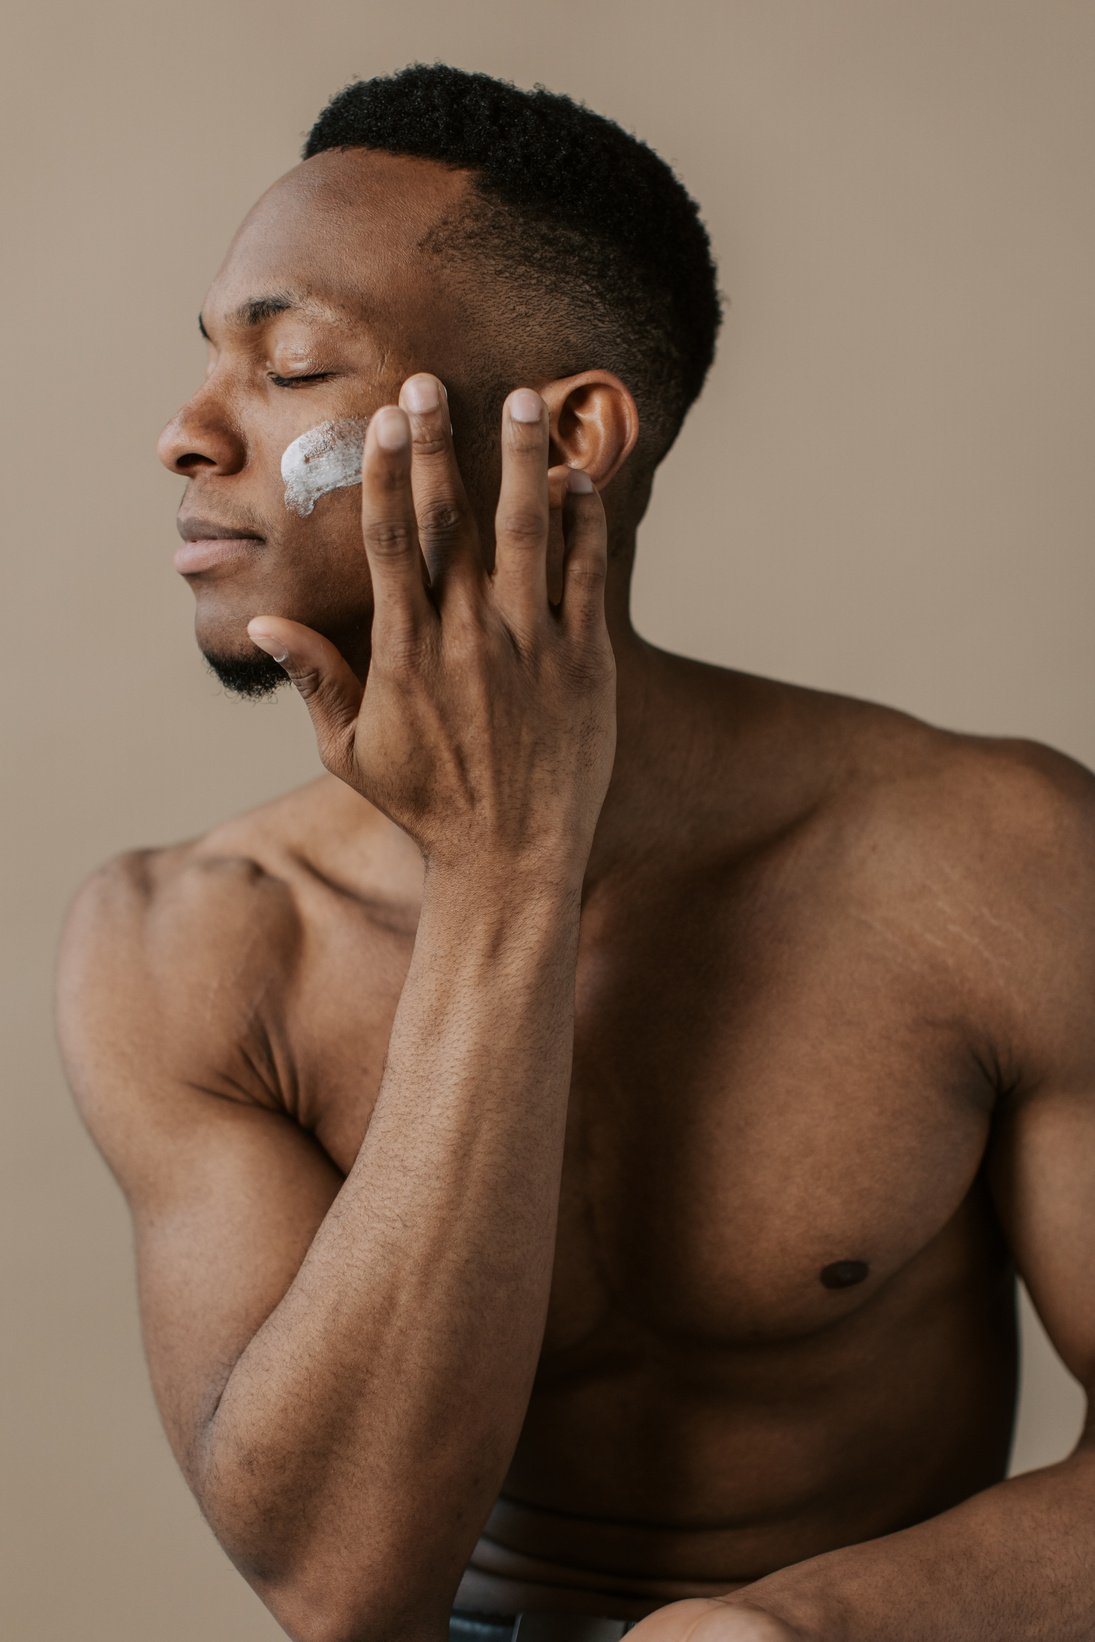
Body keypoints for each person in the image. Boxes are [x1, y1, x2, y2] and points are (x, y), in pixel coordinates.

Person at [56, 62, 1095, 1642]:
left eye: (293, 368)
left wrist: (800, 1631)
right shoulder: (187, 946)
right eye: (206, 361)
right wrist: (503, 873)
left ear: (575, 436)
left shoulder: (999, 859)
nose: (185, 439)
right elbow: (344, 1589)